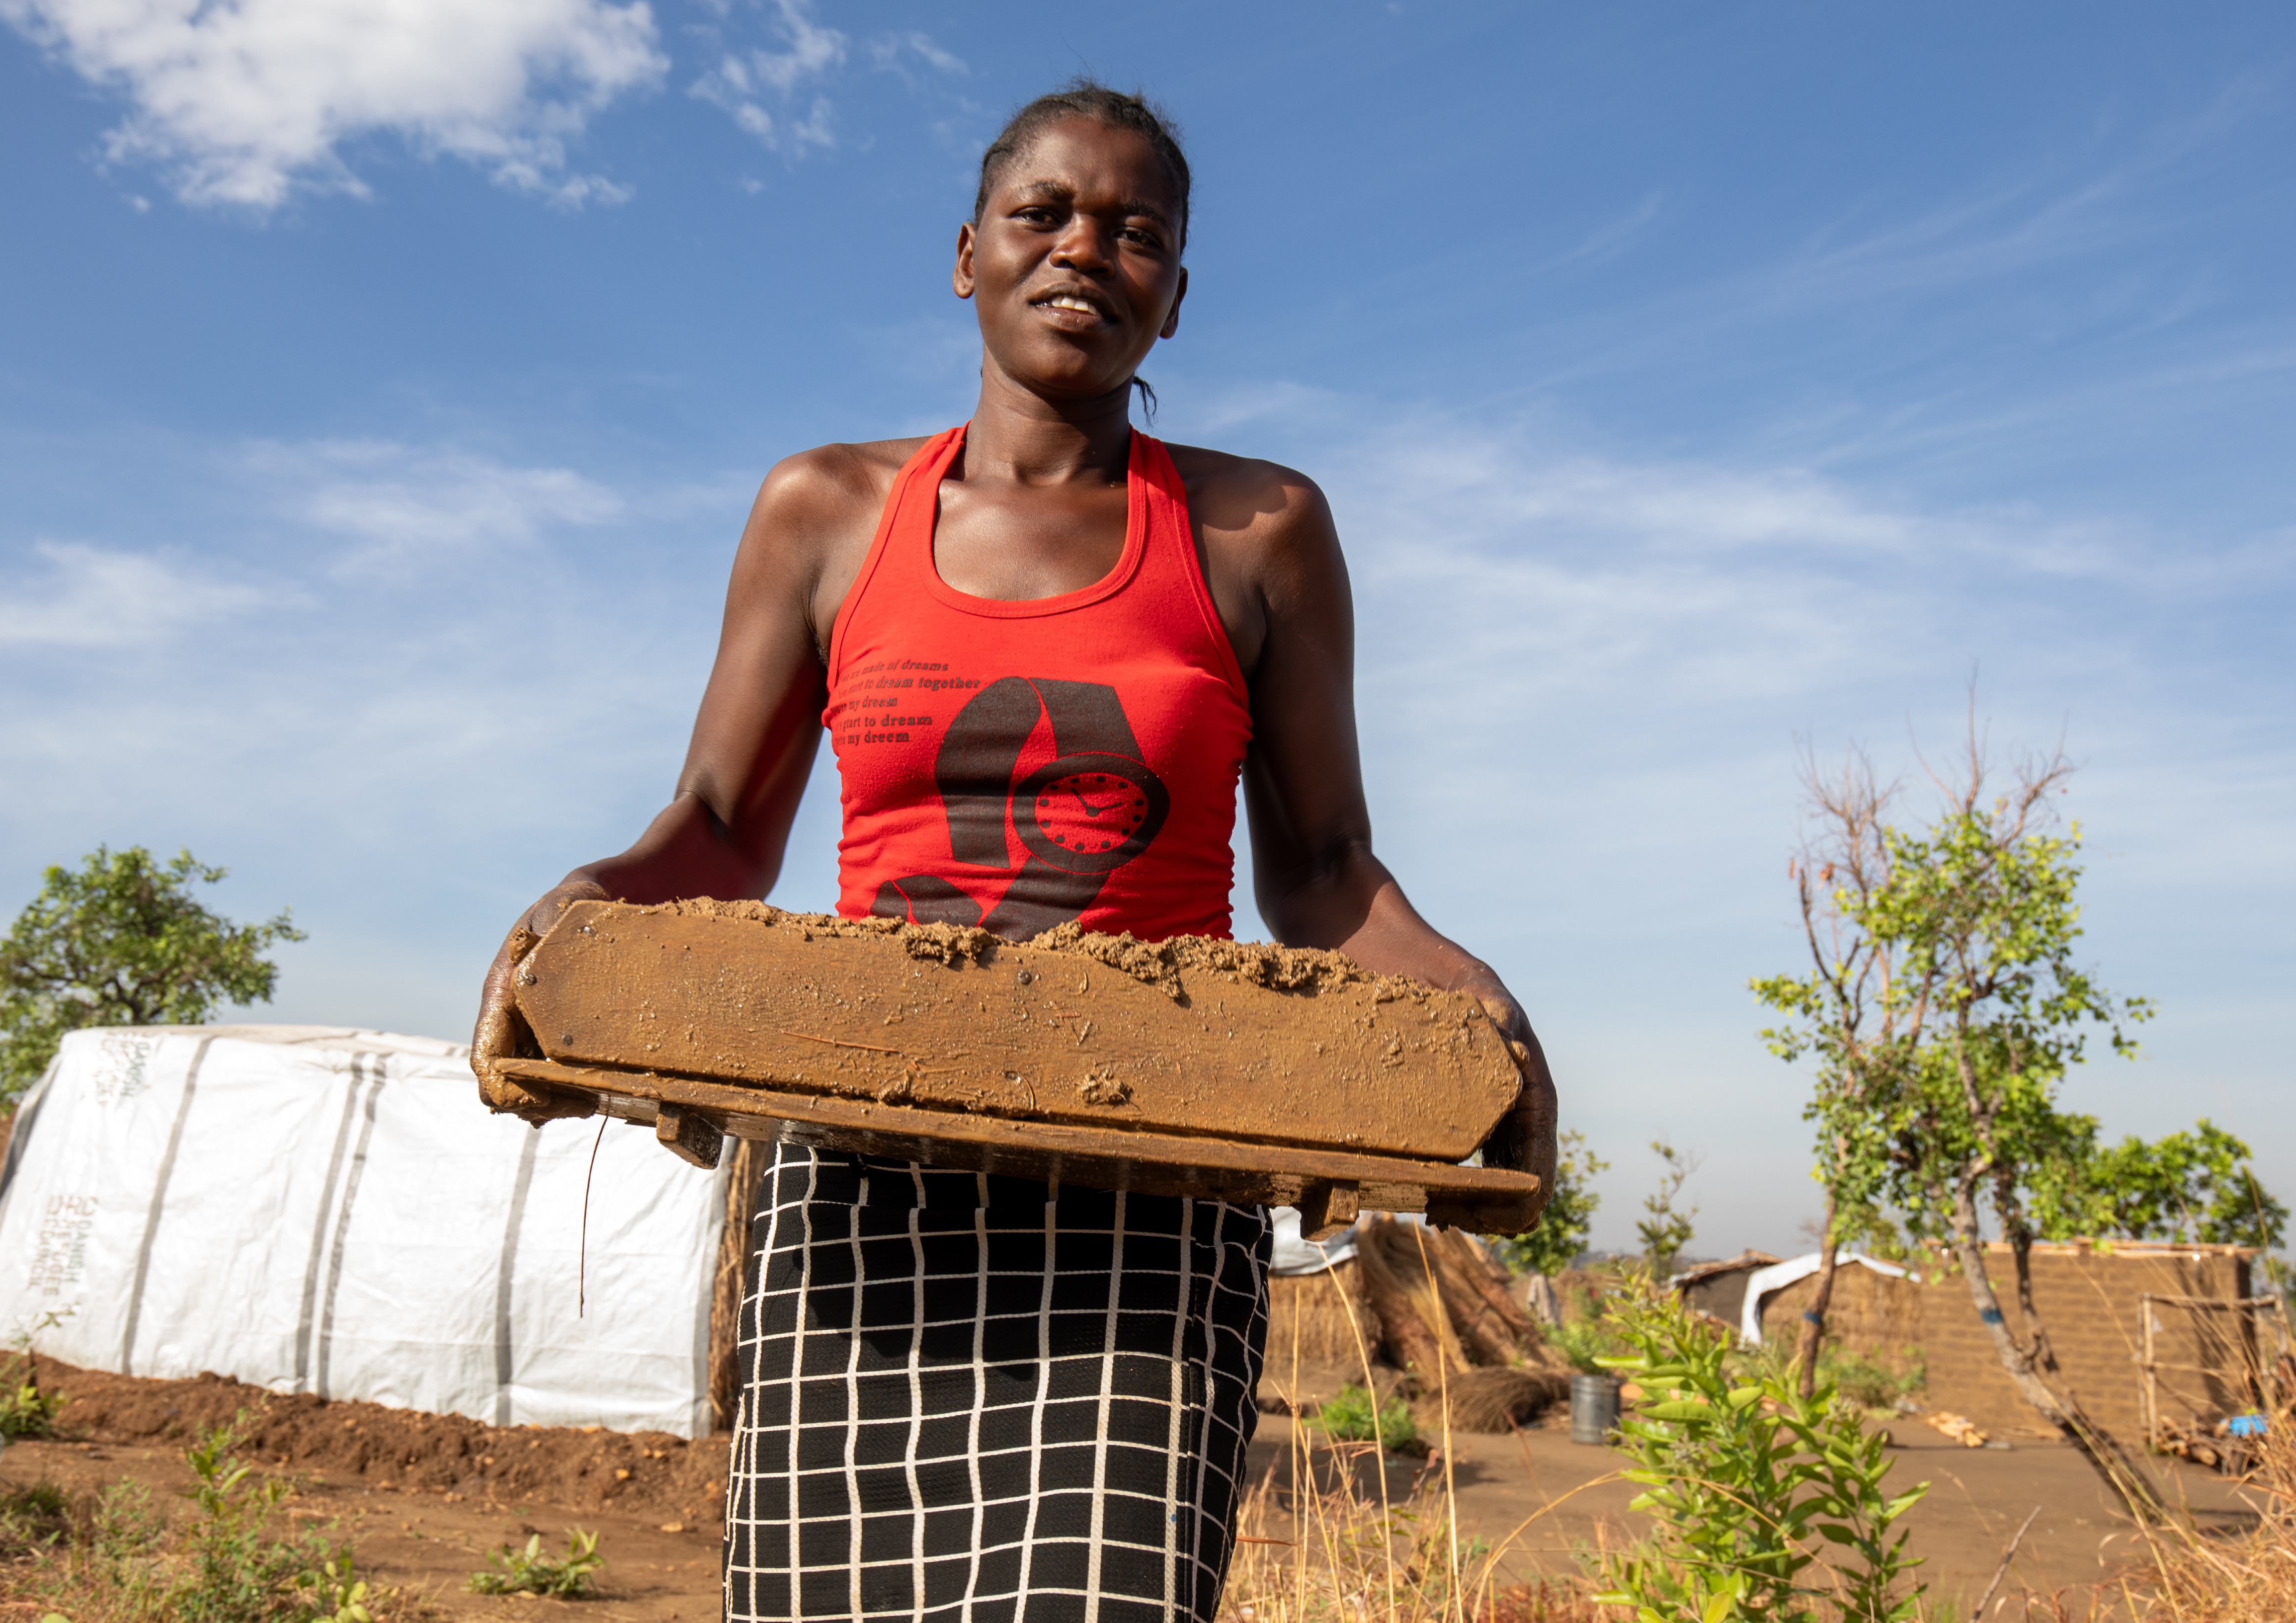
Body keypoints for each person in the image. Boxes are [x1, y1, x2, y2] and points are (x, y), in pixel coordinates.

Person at [477, 84, 1557, 1623]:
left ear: (1176, 295)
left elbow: (1323, 868)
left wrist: (1472, 997)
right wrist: (576, 915)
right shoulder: (825, 512)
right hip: (856, 1174)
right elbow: (717, 825)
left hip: (1152, 1189)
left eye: (1137, 233)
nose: (1084, 251)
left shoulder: (1258, 533)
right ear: (967, 252)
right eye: (1043, 214)